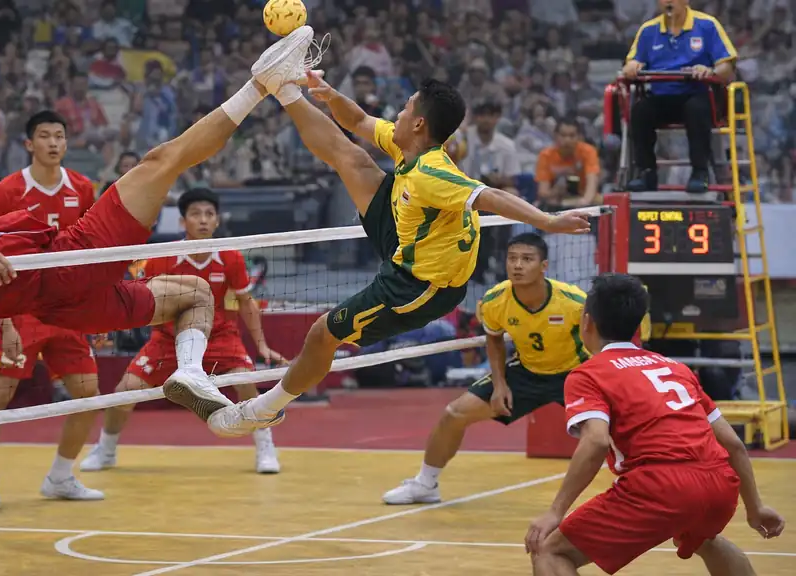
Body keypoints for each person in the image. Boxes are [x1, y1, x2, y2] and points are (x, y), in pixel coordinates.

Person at [0, 28, 307, 447]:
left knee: (196, 295)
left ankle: (189, 372)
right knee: (161, 161)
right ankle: (259, 85)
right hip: (66, 259)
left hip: (60, 306)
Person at [192, 27, 592, 438]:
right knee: (352, 158)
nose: (396, 114)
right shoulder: (407, 146)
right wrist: (327, 94)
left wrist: (547, 220)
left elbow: (489, 196)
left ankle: (265, 408)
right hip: (409, 236)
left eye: (403, 109)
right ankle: (283, 89)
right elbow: (359, 120)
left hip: (420, 285)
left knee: (322, 333)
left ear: (418, 122)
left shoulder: (433, 172)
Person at [525, 273, 785, 575]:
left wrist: (555, 512)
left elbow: (595, 441)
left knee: (550, 552)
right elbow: (733, 444)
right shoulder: (676, 368)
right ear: (638, 326)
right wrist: (755, 508)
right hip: (718, 483)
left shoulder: (588, 374)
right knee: (705, 539)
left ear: (587, 322)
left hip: (660, 487)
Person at [79, 188, 287, 474]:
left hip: (220, 338)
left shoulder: (230, 256)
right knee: (124, 393)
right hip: (168, 340)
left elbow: (245, 302)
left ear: (217, 221)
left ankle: (265, 447)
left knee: (247, 384)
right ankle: (106, 449)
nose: (202, 220)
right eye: (195, 214)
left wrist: (262, 345)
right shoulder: (162, 257)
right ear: (182, 222)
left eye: (209, 214)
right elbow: (140, 300)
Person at [382, 233, 588, 504]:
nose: (518, 265)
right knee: (454, 413)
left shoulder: (574, 301)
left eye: (527, 259)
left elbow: (596, 342)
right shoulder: (495, 300)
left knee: (614, 427)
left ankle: (634, 482)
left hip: (574, 374)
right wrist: (500, 384)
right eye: (512, 259)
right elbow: (493, 339)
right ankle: (425, 484)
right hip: (527, 371)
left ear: (544, 266)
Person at [0, 110, 104, 508]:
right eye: (44, 136)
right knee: (1, 392)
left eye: (59, 135)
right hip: (21, 306)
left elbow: (91, 249)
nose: (53, 143)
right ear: (29, 144)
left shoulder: (82, 187)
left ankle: (60, 477)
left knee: (89, 393)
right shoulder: (8, 191)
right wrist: (4, 319)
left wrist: (97, 307)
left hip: (67, 308)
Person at [622, 0, 737, 194]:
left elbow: (727, 66)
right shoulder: (648, 30)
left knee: (696, 109)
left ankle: (700, 172)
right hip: (662, 96)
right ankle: (647, 172)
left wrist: (709, 70)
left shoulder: (707, 25)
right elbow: (630, 64)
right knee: (640, 111)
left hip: (698, 94)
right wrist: (632, 67)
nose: (668, 1)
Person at [535, 119, 601, 209]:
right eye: (563, 135)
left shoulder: (589, 151)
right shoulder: (546, 155)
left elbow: (592, 183)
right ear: (556, 136)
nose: (567, 140)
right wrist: (556, 191)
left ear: (579, 137)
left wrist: (585, 201)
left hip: (583, 197)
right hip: (557, 199)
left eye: (572, 136)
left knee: (599, 200)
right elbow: (543, 192)